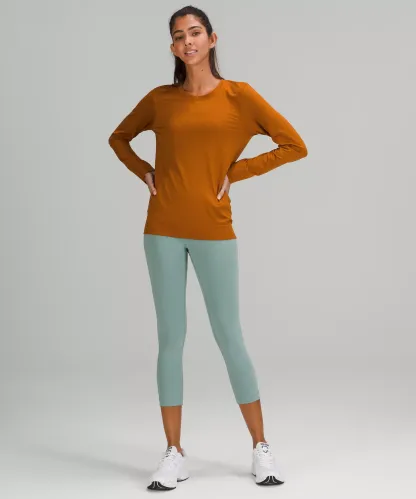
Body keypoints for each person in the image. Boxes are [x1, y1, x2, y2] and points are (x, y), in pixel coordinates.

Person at [108, 5, 307, 491]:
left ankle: (261, 447)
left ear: (213, 39)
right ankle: (173, 453)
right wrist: (144, 172)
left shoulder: (240, 96)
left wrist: (236, 172)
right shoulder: (161, 100)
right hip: (162, 229)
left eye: (195, 32)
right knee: (170, 339)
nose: (188, 42)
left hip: (214, 229)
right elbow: (119, 138)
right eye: (179, 36)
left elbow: (294, 144)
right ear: (173, 47)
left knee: (228, 336)